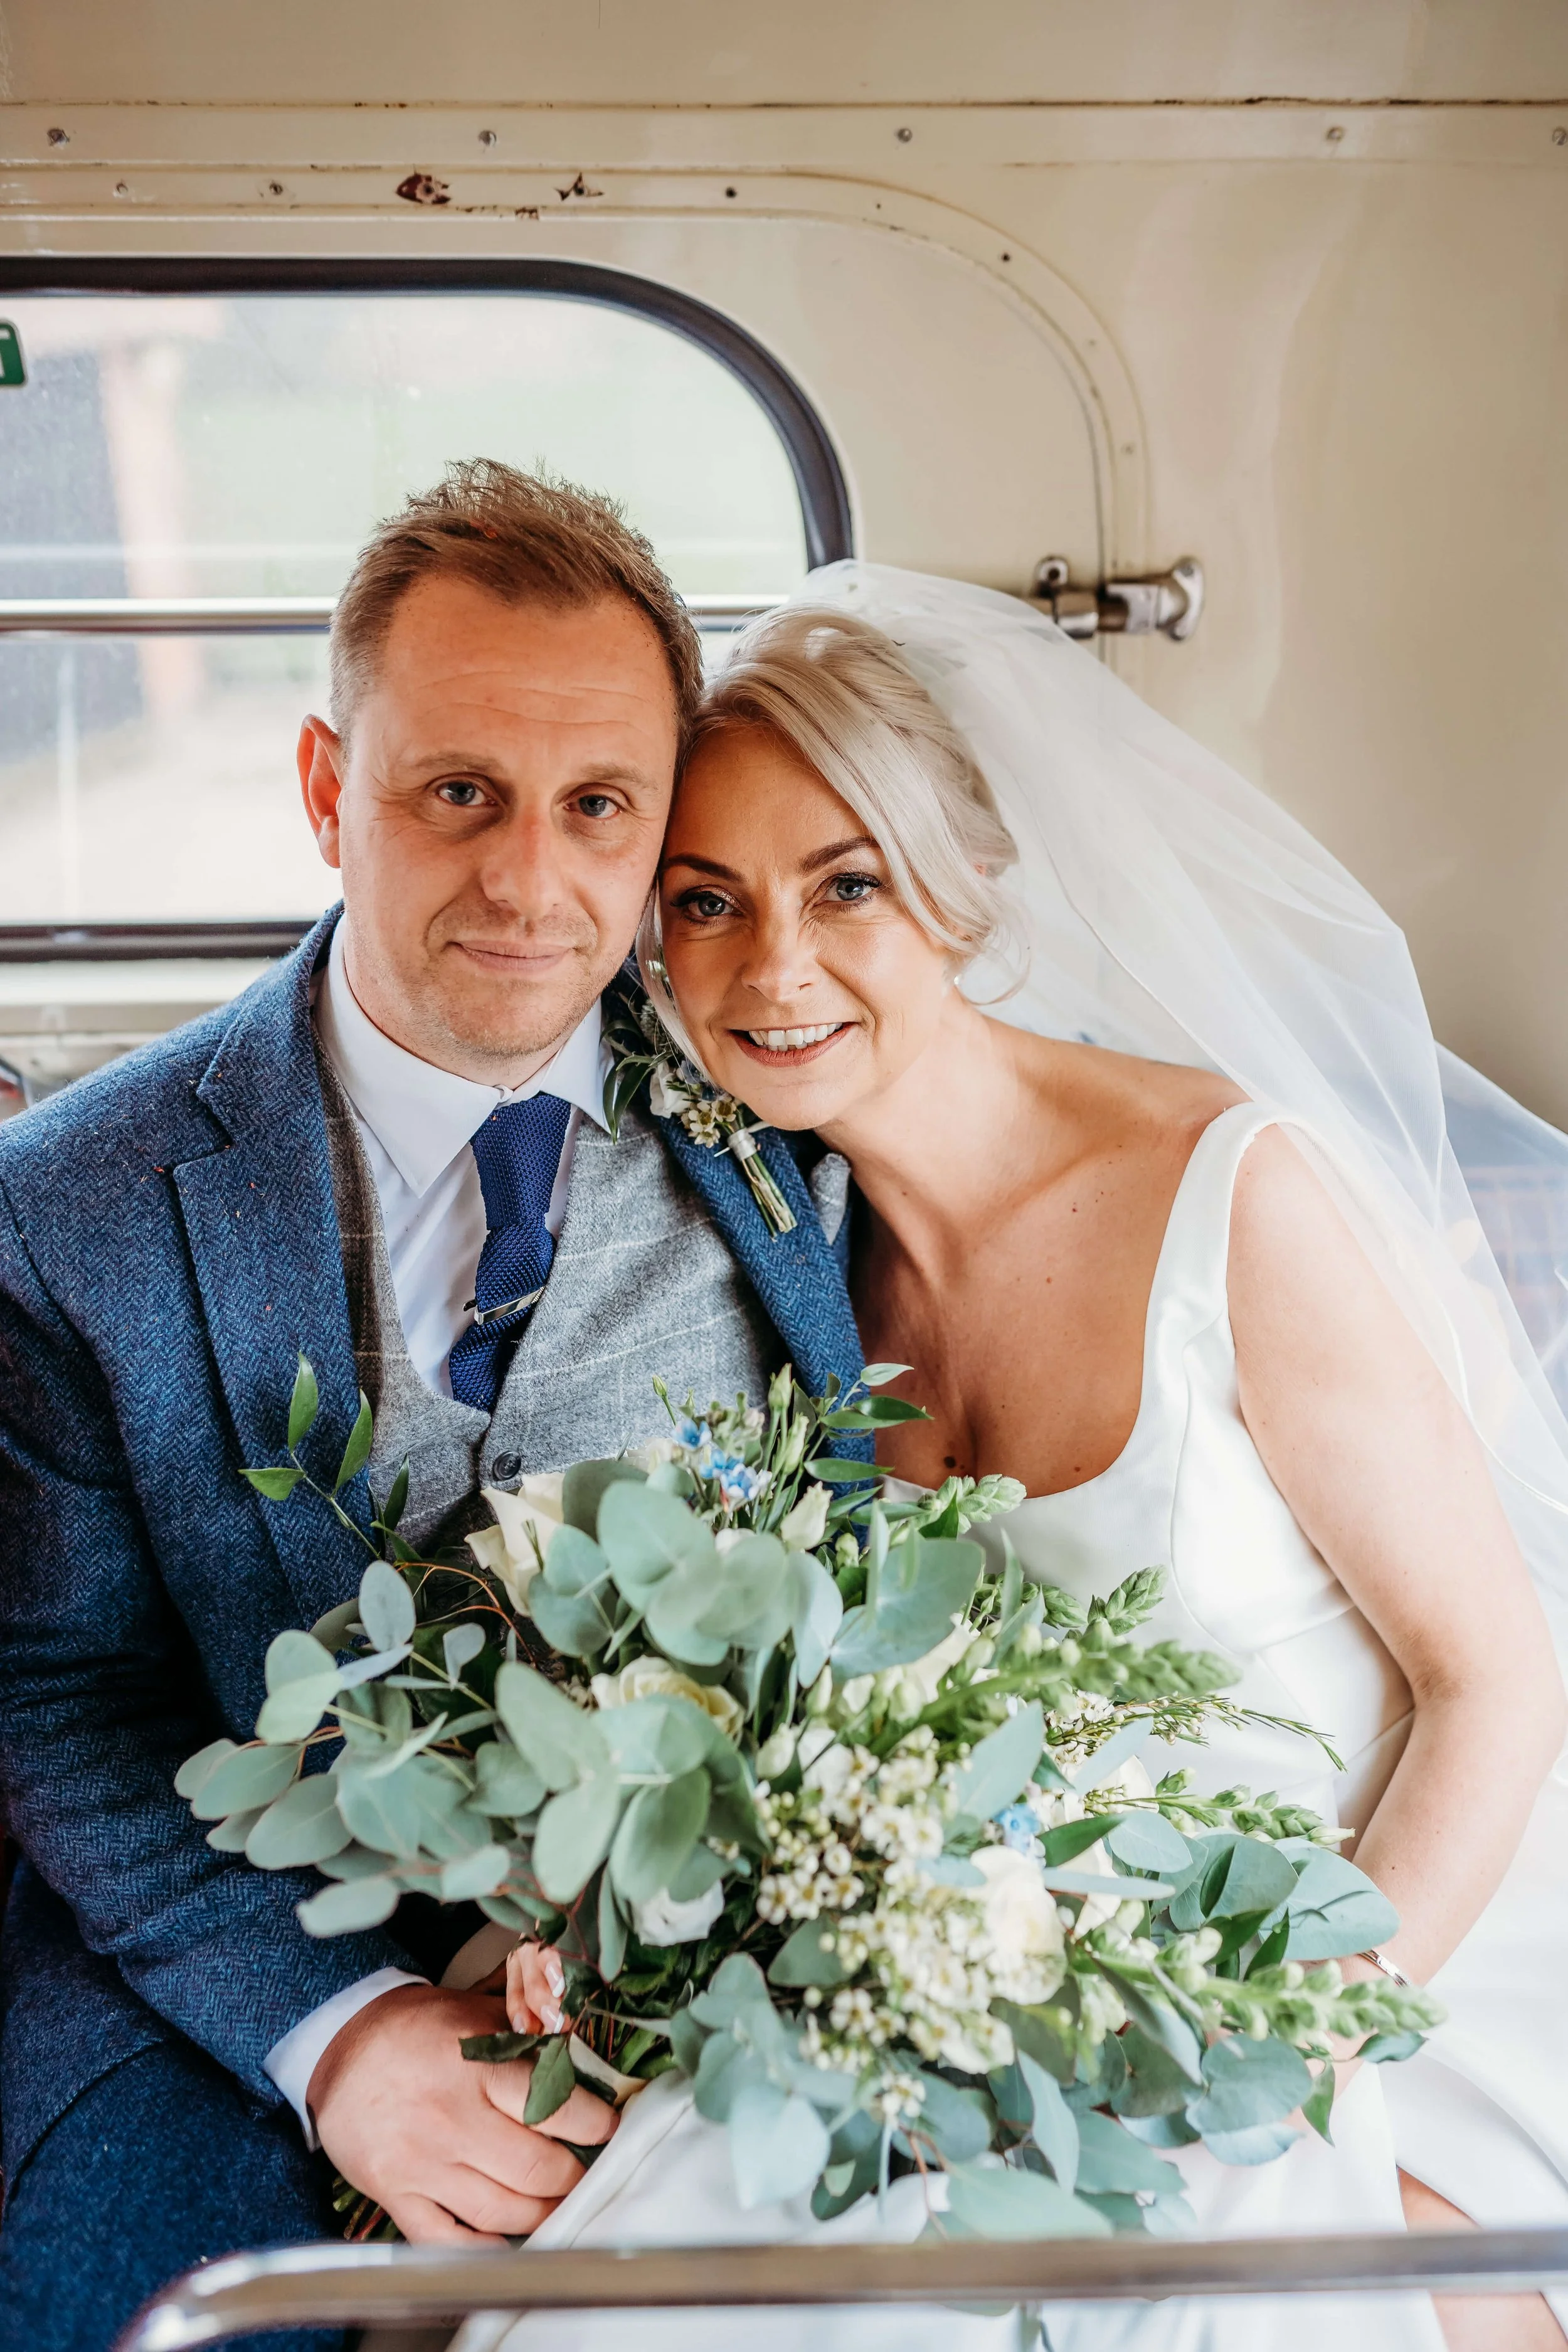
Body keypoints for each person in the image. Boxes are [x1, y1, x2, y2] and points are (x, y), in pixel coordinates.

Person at [633, 568, 1568, 2352]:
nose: (773, 966)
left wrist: (1292, 2046)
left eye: (847, 885)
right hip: (1019, 1993)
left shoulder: (1236, 1198)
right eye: (705, 903)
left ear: (964, 894)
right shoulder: (785, 1270)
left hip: (1388, 1953)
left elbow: (1494, 1686)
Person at [0, 464, 863, 2352]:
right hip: (224, 1985)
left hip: (711, 1963)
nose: (527, 881)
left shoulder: (808, 1130)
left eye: (596, 807)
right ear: (328, 789)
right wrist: (341, 2046)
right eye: (455, 790)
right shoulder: (69, 1207)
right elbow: (57, 1693)